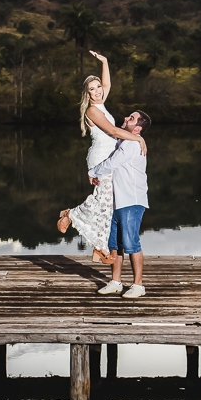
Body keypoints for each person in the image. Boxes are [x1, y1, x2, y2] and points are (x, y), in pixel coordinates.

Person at [57, 51, 146, 263]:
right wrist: (137, 139)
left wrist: (105, 61)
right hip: (100, 157)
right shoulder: (92, 111)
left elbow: (107, 84)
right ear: (87, 94)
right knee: (104, 201)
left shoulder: (101, 102)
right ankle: (73, 217)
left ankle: (100, 247)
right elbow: (114, 132)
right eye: (92, 89)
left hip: (107, 156)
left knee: (108, 202)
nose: (98, 91)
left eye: (98, 87)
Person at [89, 111, 152, 298]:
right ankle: (116, 282)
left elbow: (112, 163)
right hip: (116, 200)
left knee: (131, 242)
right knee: (114, 244)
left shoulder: (133, 143)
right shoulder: (125, 141)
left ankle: (138, 286)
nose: (125, 119)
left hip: (131, 200)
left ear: (138, 128)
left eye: (131, 119)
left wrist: (93, 172)